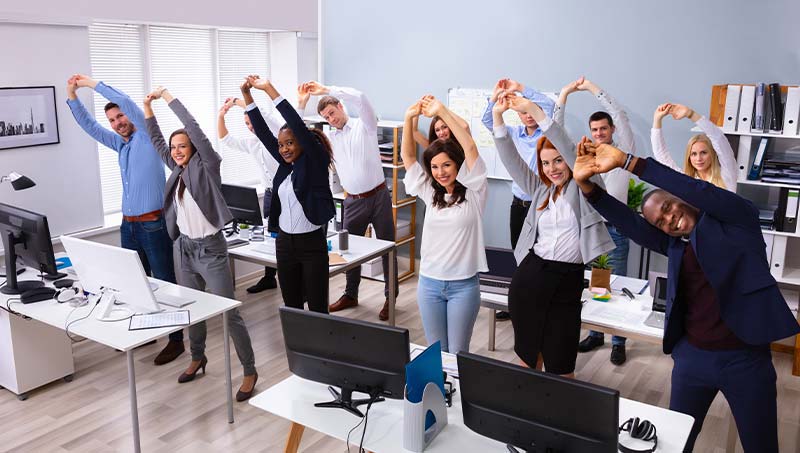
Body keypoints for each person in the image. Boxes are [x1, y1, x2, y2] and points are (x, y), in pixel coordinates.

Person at [572, 141, 800, 452]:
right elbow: (631, 225)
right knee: (675, 444)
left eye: (668, 207)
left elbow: (699, 190)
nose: (669, 219)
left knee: (761, 447)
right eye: (660, 222)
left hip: (745, 360)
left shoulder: (737, 219)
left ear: (680, 198)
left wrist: (629, 162)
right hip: (692, 359)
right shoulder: (676, 244)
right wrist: (589, 189)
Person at [144, 86, 258, 401]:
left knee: (229, 313)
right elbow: (155, 141)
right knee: (190, 307)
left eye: (183, 146)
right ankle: (197, 357)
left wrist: (167, 98)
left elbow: (192, 127)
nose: (178, 151)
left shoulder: (207, 165)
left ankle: (249, 370)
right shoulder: (176, 170)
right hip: (184, 250)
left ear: (193, 147)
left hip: (211, 250)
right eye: (174, 147)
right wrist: (147, 108)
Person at [492, 92, 614, 377]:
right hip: (531, 279)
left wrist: (533, 110)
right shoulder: (540, 190)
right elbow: (511, 159)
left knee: (561, 368)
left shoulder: (586, 184)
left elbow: (568, 148)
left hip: (567, 282)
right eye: (546, 163)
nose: (552, 169)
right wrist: (498, 117)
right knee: (528, 362)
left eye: (558, 161)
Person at [66, 74, 184, 366]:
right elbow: (89, 127)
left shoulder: (147, 135)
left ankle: (177, 341)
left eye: (120, 116)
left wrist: (92, 84)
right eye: (113, 120)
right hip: (129, 225)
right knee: (135, 284)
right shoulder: (121, 145)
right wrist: (72, 95)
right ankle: (146, 332)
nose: (118, 122)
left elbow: (130, 104)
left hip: (153, 223)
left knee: (164, 281)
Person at [298, 81, 398, 321]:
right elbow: (298, 134)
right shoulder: (329, 138)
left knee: (388, 249)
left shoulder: (365, 126)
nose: (330, 118)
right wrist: (301, 104)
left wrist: (327, 90)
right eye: (325, 116)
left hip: (379, 196)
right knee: (348, 250)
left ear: (341, 106)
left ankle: (390, 298)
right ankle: (350, 294)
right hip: (352, 201)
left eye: (332, 112)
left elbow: (362, 98)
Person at [556, 77, 635, 365]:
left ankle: (619, 340)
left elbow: (621, 115)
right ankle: (596, 334)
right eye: (595, 130)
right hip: (590, 227)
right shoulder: (584, 158)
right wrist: (564, 94)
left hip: (617, 229)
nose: (599, 133)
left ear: (612, 130)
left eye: (604, 128)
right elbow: (557, 133)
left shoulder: (622, 151)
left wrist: (591, 88)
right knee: (594, 285)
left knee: (617, 283)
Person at [240, 76, 335, 313]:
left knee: (317, 308)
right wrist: (247, 96)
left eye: (290, 143)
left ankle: (320, 350)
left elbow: (296, 123)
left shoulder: (314, 162)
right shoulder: (285, 166)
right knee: (291, 306)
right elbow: (261, 131)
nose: (284, 149)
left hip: (311, 244)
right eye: (281, 144)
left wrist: (269, 89)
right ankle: (297, 350)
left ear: (302, 143)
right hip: (285, 244)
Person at [402, 95, 487, 354]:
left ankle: (460, 394)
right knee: (436, 352)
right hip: (429, 284)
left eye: (447, 165)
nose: (441, 172)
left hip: (463, 285)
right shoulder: (431, 192)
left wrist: (442, 111)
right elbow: (407, 156)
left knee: (458, 352)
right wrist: (408, 119)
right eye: (435, 167)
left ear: (458, 166)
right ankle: (441, 395)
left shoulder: (475, 191)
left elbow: (470, 147)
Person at [481, 78, 555, 321]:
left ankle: (539, 304)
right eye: (523, 112)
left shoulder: (547, 133)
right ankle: (518, 304)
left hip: (542, 205)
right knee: (518, 254)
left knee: (540, 255)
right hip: (518, 204)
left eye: (531, 110)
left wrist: (521, 89)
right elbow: (488, 120)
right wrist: (495, 98)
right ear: (519, 115)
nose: (529, 116)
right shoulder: (512, 133)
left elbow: (549, 106)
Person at [218, 97, 282, 293]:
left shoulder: (279, 137)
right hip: (270, 194)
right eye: (246, 124)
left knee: (290, 237)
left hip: (288, 193)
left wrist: (238, 102)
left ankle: (300, 281)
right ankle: (269, 277)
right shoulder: (253, 143)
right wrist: (221, 116)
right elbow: (226, 140)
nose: (250, 127)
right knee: (272, 236)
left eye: (252, 122)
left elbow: (263, 114)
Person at [651, 103, 737, 191]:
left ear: (712, 153)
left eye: (703, 153)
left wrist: (691, 114)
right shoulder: (687, 180)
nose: (698, 159)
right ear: (689, 157)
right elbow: (661, 156)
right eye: (693, 154)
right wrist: (657, 119)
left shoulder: (727, 173)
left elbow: (718, 138)